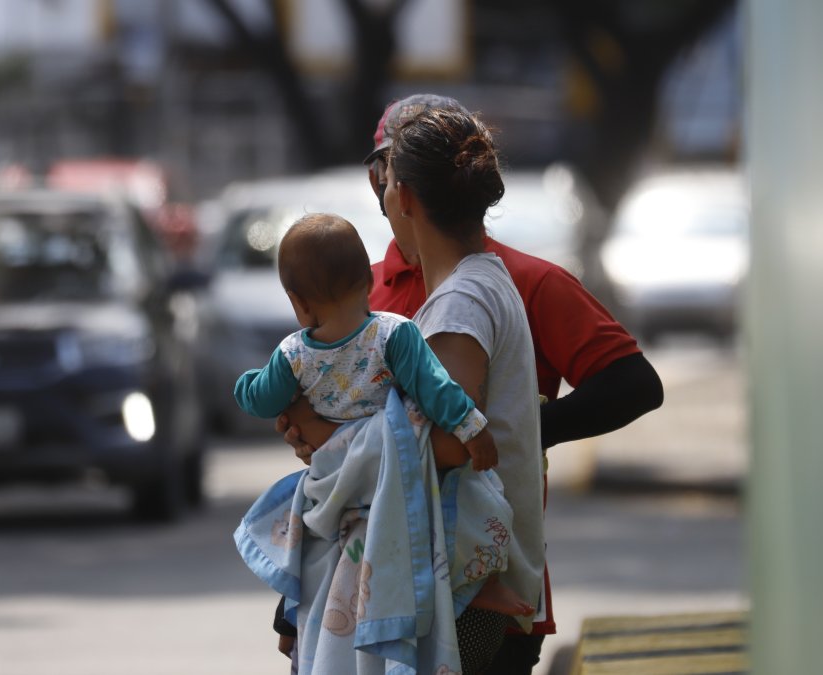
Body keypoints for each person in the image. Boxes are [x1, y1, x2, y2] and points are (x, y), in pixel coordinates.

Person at [276, 94, 665, 674]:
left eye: (392, 173)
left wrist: (521, 432)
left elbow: (441, 447)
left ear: (402, 188)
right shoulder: (360, 295)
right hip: (388, 571)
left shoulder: (489, 290)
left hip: (465, 582)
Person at [233, 212, 535, 618]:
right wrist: (471, 426)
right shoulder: (394, 334)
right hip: (394, 470)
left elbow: (261, 401)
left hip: (338, 484)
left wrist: (247, 383)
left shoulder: (292, 356)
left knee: (330, 548)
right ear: (369, 282)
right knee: (473, 502)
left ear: (299, 303)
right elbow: (435, 389)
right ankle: (478, 582)